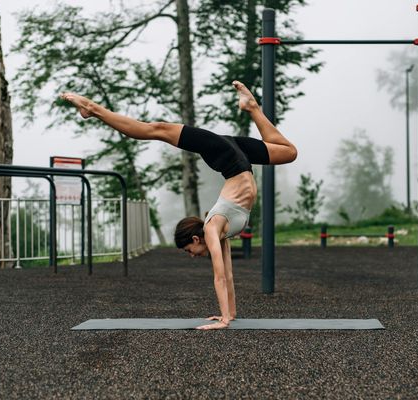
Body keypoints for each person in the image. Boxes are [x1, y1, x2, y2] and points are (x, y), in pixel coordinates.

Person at [61, 81, 297, 330]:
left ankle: (92, 108)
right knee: (288, 152)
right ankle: (251, 107)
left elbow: (218, 275)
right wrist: (229, 315)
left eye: (188, 250)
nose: (191, 256)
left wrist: (225, 320)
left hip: (228, 155)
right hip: (236, 156)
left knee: (158, 129)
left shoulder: (211, 228)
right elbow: (227, 274)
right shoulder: (221, 231)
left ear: (196, 239)